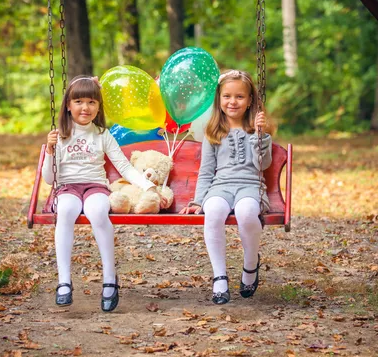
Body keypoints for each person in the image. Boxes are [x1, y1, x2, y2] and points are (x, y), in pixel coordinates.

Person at [42, 75, 167, 312]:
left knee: (98, 211)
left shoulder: (102, 134)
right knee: (66, 210)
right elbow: (50, 178)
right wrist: (50, 150)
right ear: (68, 105)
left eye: (91, 102)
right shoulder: (60, 135)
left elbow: (125, 167)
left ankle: (110, 279)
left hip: (95, 187)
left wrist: (149, 186)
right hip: (67, 187)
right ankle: (64, 281)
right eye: (78, 101)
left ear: (98, 106)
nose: (85, 108)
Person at [180, 70, 272, 305]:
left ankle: (250, 265)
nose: (233, 102)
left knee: (247, 213)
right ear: (219, 100)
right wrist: (199, 200)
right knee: (213, 212)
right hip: (220, 187)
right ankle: (220, 276)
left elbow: (263, 164)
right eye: (227, 96)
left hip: (250, 186)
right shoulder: (213, 133)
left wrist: (260, 137)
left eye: (240, 97)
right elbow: (206, 171)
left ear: (250, 101)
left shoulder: (257, 131)